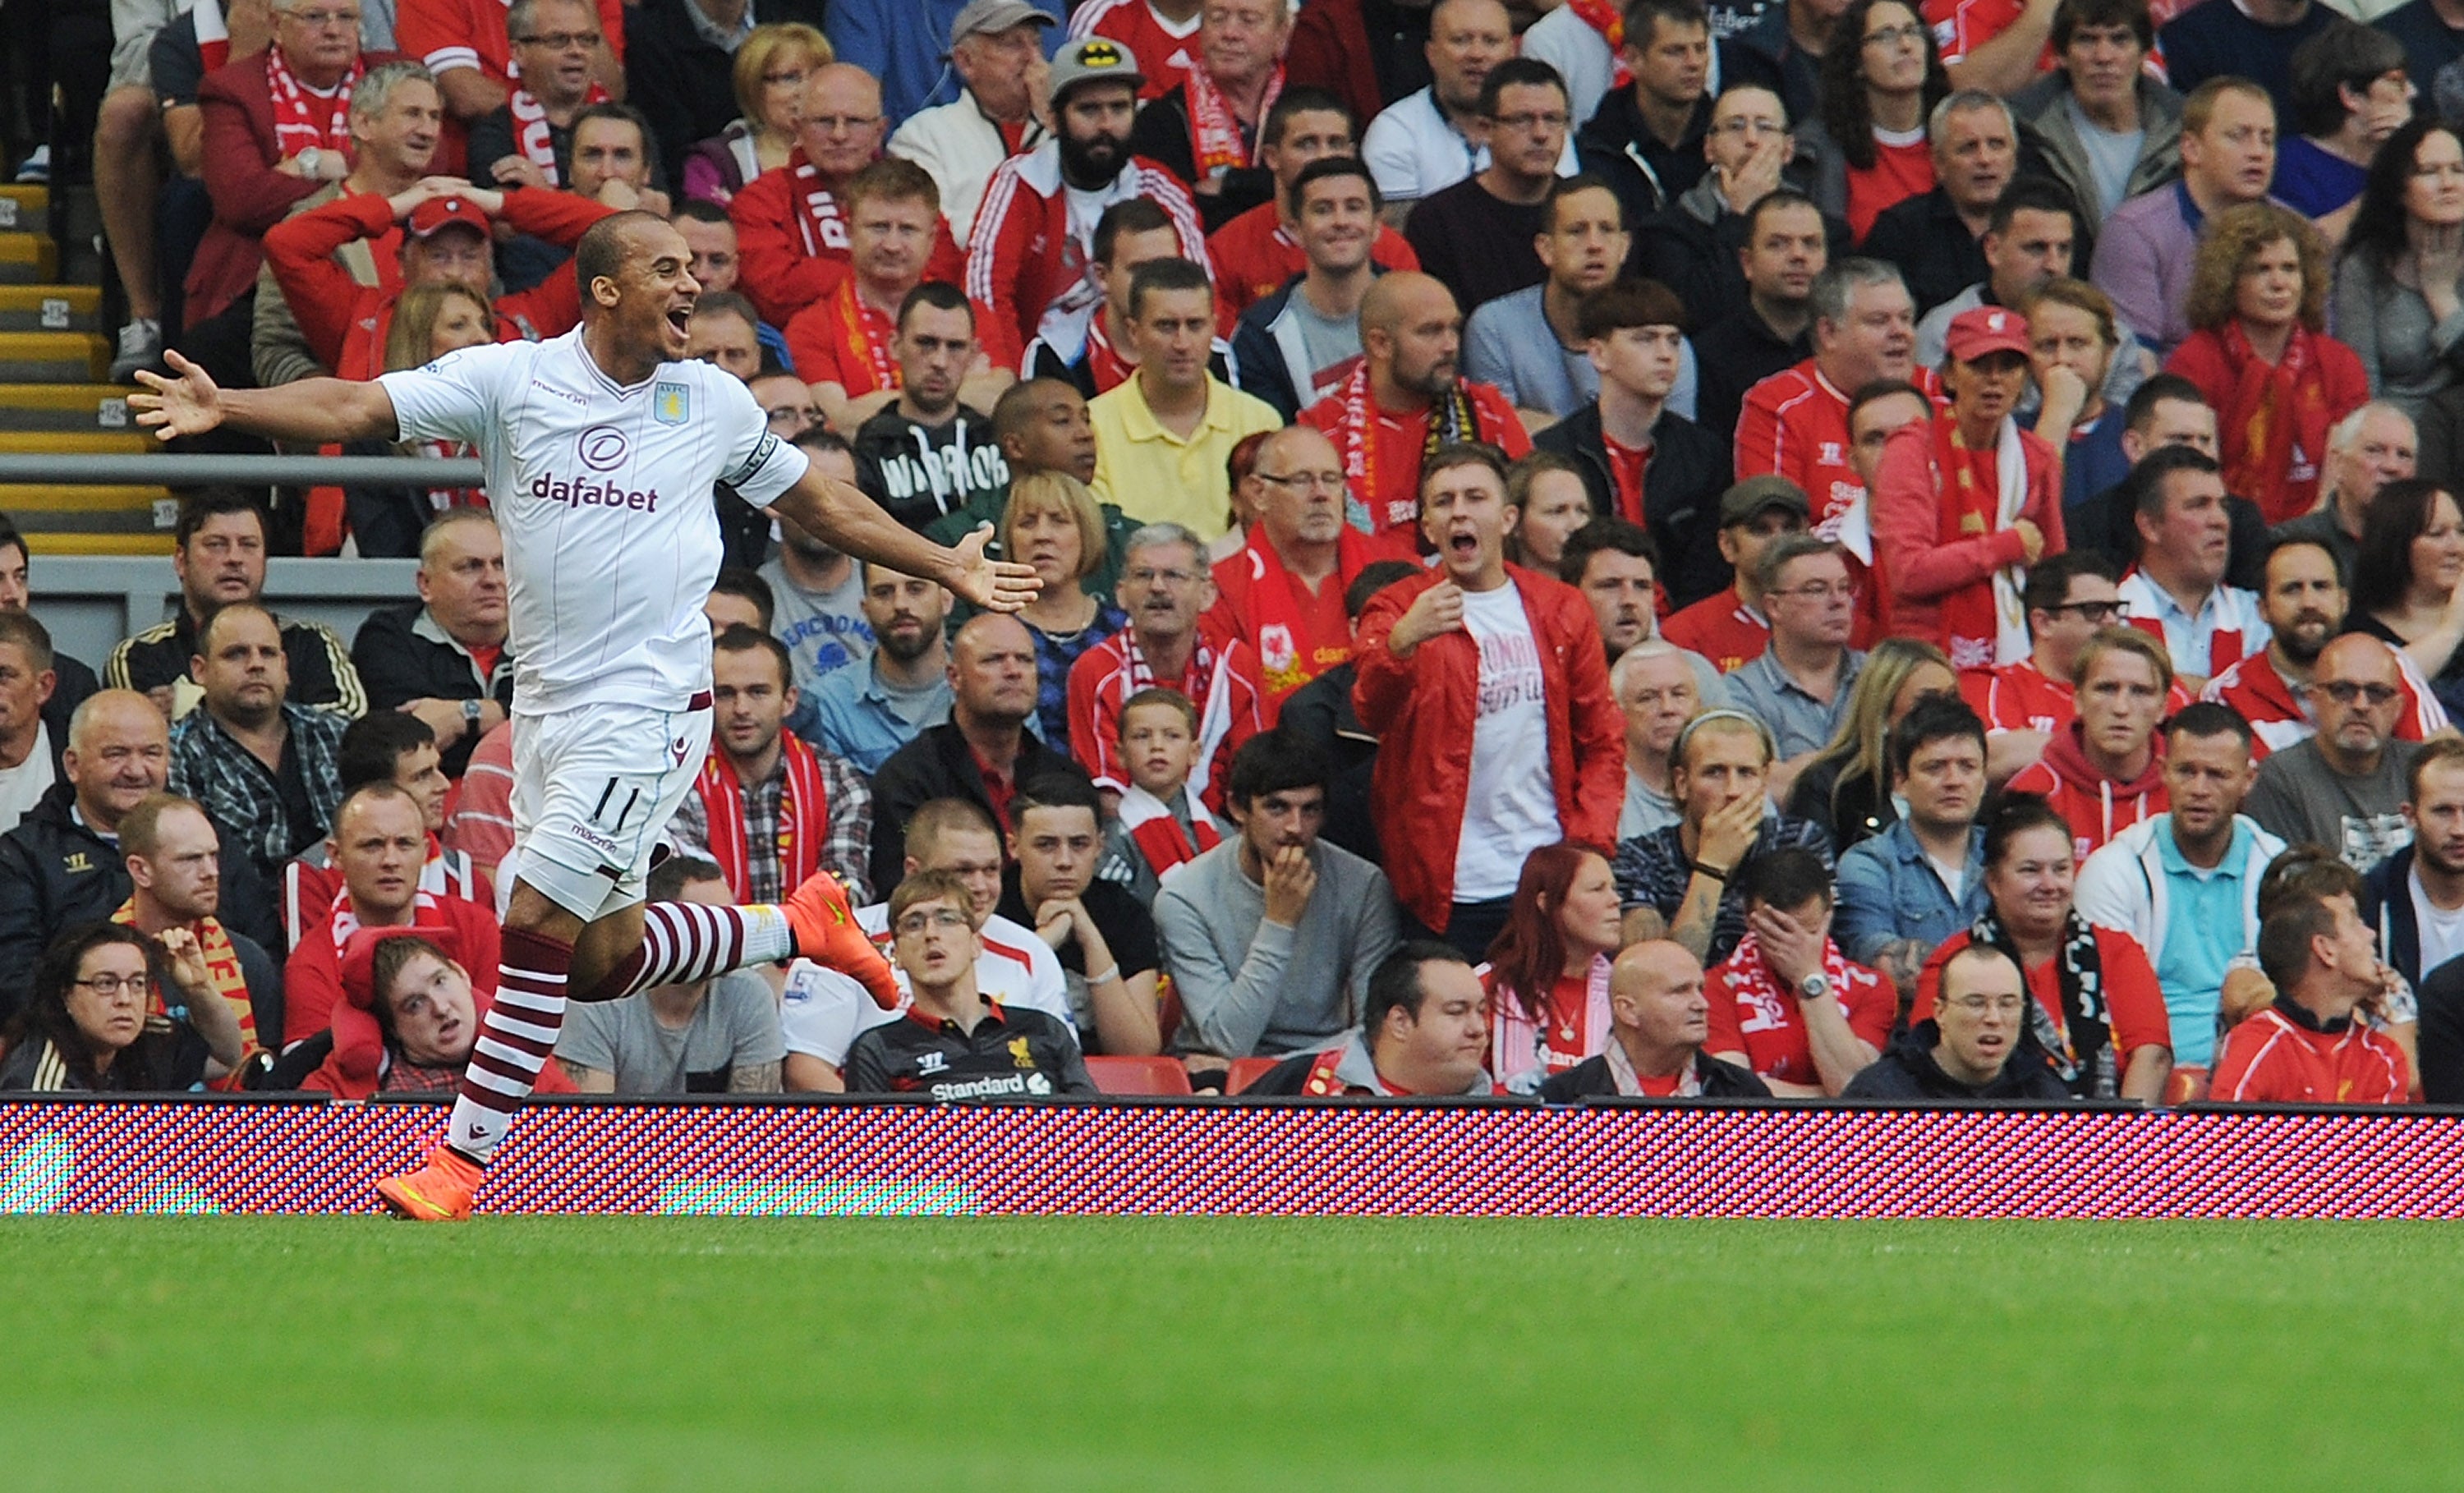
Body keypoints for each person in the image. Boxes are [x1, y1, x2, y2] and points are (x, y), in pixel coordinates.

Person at [131, 207, 1038, 1219]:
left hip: (650, 707)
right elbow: (353, 403)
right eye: (667, 269)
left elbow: (819, 504)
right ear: (605, 289)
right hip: (551, 712)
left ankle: (460, 1164)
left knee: (533, 927)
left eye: (695, 269)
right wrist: (231, 404)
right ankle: (800, 923)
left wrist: (942, 559)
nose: (692, 285)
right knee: (600, 965)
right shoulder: (512, 380)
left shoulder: (714, 402)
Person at [1354, 446, 1622, 953]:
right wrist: (1402, 643)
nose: (1459, 510)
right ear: (1429, 527)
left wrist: (1587, 846)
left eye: (1475, 497)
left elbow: (1603, 736)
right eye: (1443, 501)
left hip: (1546, 872)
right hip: (1448, 886)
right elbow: (1371, 711)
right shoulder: (1395, 607)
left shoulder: (1561, 606)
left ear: (1507, 519)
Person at [0, 691, 280, 1015]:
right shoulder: (22, 856)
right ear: (72, 765)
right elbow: (15, 985)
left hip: (213, 1037)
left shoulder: (210, 839)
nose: (136, 770)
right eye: (116, 754)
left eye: (151, 753)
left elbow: (263, 954)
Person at [1153, 731, 1402, 1064]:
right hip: (1216, 1072)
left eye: (1310, 810)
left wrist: (1281, 1067)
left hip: (1326, 1065)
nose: (1295, 828)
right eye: (1277, 808)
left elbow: (1376, 1033)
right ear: (1238, 809)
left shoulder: (1364, 885)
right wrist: (1279, 921)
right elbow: (1228, 1041)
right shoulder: (1183, 898)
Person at [968, 38, 1211, 376]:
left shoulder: (1158, 187)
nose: (1106, 125)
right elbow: (985, 293)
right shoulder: (1020, 182)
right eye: (1088, 110)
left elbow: (1201, 289)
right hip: (1043, 368)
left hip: (1145, 368)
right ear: (1054, 117)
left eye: (1119, 108)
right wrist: (1014, 380)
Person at [2067, 701, 2275, 1090]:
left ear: (2248, 779)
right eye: (2186, 771)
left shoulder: (2277, 867)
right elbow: (2100, 1005)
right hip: (2140, 1074)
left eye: (2217, 775)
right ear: (2163, 772)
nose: (2199, 789)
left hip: (2250, 1076)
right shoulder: (2113, 869)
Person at [184, 0, 395, 370]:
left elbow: (427, 164)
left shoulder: (397, 77)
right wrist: (365, 176)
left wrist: (319, 165)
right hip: (261, 274)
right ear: (277, 26)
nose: (333, 29)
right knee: (214, 352)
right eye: (315, 16)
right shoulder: (232, 89)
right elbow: (242, 200)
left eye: (346, 17)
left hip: (384, 264)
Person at [263, 176, 611, 385]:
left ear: (490, 268)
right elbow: (287, 244)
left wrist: (499, 203)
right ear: (402, 263)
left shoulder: (532, 317)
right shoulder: (359, 316)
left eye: (470, 257)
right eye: (439, 256)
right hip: (386, 502)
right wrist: (395, 206)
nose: (456, 272)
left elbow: (619, 238)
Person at [1873, 305, 2063, 670]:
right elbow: (1909, 572)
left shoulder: (2037, 458)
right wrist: (2007, 545)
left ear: (2025, 377)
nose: (1994, 380)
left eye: (2008, 367)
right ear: (1949, 374)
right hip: (1926, 657)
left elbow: (2054, 574)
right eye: (1978, 365)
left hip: (2018, 656)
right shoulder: (1912, 448)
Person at [1298, 272, 1532, 558]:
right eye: (1431, 331)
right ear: (1380, 344)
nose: (1451, 345)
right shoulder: (1321, 430)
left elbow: (1527, 520)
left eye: (1453, 328)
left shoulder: (1488, 411)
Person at [2164, 201, 2368, 526]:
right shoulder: (2195, 361)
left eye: (2289, 268)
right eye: (2261, 269)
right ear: (2228, 281)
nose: (2279, 283)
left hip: (2320, 528)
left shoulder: (2338, 363)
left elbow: (2349, 466)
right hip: (2221, 525)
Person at [247, 60, 446, 392]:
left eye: (435, 116)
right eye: (412, 114)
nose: (428, 131)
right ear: (364, 123)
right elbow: (275, 348)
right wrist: (339, 409)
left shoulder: (454, 214)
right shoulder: (310, 223)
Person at [727, 65, 965, 332]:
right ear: (798, 128)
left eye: (855, 122)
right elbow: (773, 291)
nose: (839, 135)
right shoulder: (760, 200)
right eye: (824, 122)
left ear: (880, 131)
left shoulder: (909, 196)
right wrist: (886, 282)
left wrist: (817, 273)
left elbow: (943, 279)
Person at [868, 613, 1092, 894]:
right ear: (954, 677)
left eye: (1025, 660)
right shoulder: (907, 780)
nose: (1013, 671)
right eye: (993, 660)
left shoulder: (1065, 778)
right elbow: (901, 892)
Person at [1531, 279, 1730, 595]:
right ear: (1598, 353)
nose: (1665, 354)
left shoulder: (1705, 454)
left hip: (1680, 628)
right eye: (1645, 339)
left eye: (1674, 341)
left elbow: (1708, 571)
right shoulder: (1554, 452)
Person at [104, 491, 365, 719]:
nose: (234, 559)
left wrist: (192, 703)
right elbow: (146, 741)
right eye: (216, 545)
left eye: (248, 545)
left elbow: (347, 723)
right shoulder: (139, 655)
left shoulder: (311, 642)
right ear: (181, 561)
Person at [840, 869, 1099, 1098]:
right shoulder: (877, 1049)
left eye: (947, 919)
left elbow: (1092, 1129)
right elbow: (871, 1149)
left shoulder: (1045, 1030)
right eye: (914, 924)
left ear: (977, 944)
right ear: (895, 954)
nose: (931, 934)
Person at [283, 780, 505, 1045]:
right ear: (336, 855)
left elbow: (508, 1040)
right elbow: (313, 1077)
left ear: (425, 852)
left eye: (404, 844)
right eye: (372, 845)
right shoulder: (312, 964)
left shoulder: (477, 927)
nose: (391, 860)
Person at [665, 627, 873, 907]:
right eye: (725, 694)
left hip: (816, 948)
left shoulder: (839, 781)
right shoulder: (677, 783)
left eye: (758, 692)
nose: (741, 708)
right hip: (719, 947)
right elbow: (693, 903)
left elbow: (847, 893)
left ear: (789, 701)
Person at [783, 160, 991, 436]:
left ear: (931, 239)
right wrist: (950, 395)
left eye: (907, 230)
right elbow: (841, 422)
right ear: (849, 231)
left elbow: (997, 399)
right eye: (879, 227)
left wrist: (876, 404)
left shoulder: (968, 315)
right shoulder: (810, 327)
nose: (892, 245)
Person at [1923, 195, 2152, 441]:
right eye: (2036, 248)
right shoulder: (1943, 330)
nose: (2054, 265)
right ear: (1993, 249)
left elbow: (2122, 423)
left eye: (2064, 249)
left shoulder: (2111, 331)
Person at [1069, 523, 1266, 809]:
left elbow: (1255, 780)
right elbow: (1108, 798)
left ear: (1207, 594)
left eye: (1174, 575)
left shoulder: (1237, 665)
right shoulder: (1095, 670)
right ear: (1122, 594)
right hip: (1129, 838)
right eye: (1144, 575)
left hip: (1224, 839)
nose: (1158, 587)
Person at [1615, 709, 1832, 964]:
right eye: (1715, 772)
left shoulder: (1799, 841)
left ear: (1764, 782)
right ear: (1682, 783)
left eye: (1746, 773)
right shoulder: (1637, 858)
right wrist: (1712, 865)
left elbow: (1803, 957)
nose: (1733, 790)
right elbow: (1657, 977)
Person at [555, 857, 786, 1094]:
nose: (728, 934)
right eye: (708, 921)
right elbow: (589, 1122)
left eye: (732, 919)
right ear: (661, 926)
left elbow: (755, 1121)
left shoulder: (749, 994)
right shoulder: (597, 999)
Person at [1088, 260, 1284, 538]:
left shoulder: (1259, 420)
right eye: (1166, 326)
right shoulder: (1094, 426)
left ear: (1214, 328)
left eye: (1195, 325)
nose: (1182, 343)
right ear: (1134, 332)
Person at [2089, 77, 2278, 359]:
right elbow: (2133, 366)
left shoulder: (2297, 233)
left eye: (2267, 139)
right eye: (2239, 136)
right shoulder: (2135, 232)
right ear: (2191, 148)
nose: (2258, 152)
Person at [1734, 260, 1923, 540]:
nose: (1901, 332)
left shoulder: (1938, 393)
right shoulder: (1779, 405)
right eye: (1879, 321)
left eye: (1906, 318)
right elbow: (1775, 543)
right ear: (1829, 333)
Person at [2207, 535, 2445, 757]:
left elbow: (2437, 771)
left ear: (2344, 602)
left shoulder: (2389, 667)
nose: (2309, 603)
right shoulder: (2226, 697)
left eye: (2321, 587)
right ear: (2263, 609)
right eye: (2291, 589)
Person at [167, 603, 351, 888]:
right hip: (241, 916)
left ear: (285, 667)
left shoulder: (336, 734)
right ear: (200, 671)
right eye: (236, 654)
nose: (256, 664)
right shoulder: (177, 752)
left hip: (345, 906)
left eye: (268, 653)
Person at [1208, 90, 1421, 329]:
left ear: (1352, 153)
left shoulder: (1390, 249)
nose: (1323, 156)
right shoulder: (1227, 249)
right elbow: (1227, 348)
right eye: (1307, 144)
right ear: (1272, 157)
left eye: (1336, 143)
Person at [283, 710, 489, 946]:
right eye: (423, 776)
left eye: (438, 769)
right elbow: (312, 971)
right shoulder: (312, 875)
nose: (443, 785)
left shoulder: (465, 878)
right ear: (379, 793)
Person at [1832, 696, 1990, 1001]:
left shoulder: (2007, 855)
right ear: (1901, 782)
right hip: (1909, 1038)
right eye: (1935, 768)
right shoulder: (1868, 864)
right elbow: (1881, 966)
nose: (1954, 781)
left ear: (1984, 781)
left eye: (1967, 767)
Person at [1697, 847, 1891, 1095]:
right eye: (1777, 934)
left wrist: (1809, 978)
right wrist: (1824, 1098)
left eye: (1809, 932)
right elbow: (1735, 1094)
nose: (1794, 947)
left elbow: (1853, 1089)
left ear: (1830, 911)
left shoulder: (1873, 987)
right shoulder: (1712, 988)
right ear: (1747, 918)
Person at [1208, 425, 1375, 712]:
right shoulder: (1221, 590)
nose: (1321, 494)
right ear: (1259, 494)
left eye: (1331, 479)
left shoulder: (1396, 570)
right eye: (1302, 480)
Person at [113, 792, 280, 1078]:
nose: (211, 872)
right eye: (190, 859)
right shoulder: (96, 962)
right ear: (141, 870)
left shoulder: (249, 959)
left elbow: (266, 1075)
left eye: (213, 856)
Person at [995, 774, 1164, 1053]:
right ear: (1014, 847)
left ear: (1100, 846)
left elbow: (1138, 1051)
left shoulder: (1125, 914)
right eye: (1046, 845)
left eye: (1079, 844)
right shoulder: (991, 909)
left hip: (1105, 1084)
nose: (1064, 861)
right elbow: (985, 1042)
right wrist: (1040, 947)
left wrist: (1090, 937)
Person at [1400, 58, 1579, 316]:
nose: (1541, 134)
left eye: (1552, 119)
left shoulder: (1592, 213)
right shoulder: (1438, 222)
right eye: (1522, 120)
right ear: (1486, 129)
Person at [1276, 558, 1423, 862]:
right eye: (1395, 623)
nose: (1409, 637)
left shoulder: (1461, 692)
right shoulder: (1308, 713)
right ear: (1357, 629)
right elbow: (1313, 827)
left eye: (1421, 622)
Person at [348, 510, 511, 779]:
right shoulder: (389, 636)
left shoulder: (550, 637)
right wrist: (514, 719)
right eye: (470, 566)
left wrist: (463, 716)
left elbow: (570, 730)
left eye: (502, 564)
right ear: (425, 584)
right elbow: (409, 745)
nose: (491, 580)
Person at [2209, 887, 2411, 1104]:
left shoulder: (2382, 1057)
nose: (2372, 934)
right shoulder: (2254, 1045)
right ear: (2325, 949)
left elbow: (2382, 1138)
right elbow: (2227, 1132)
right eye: (2354, 923)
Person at [2241, 635, 2422, 869]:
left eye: (2377, 693)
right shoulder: (2280, 778)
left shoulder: (2425, 771)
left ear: (2398, 708)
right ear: (2314, 699)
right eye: (2343, 690)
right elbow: (2291, 891)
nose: (2361, 705)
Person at [1459, 177, 1631, 421]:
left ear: (1624, 247)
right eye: (1577, 231)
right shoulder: (1495, 327)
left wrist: (1541, 425)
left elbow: (1671, 446)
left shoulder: (1658, 338)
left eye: (1606, 230)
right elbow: (1500, 437)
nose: (1594, 245)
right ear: (1545, 249)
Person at [0, 923, 246, 1092]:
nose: (125, 998)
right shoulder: (40, 1080)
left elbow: (225, 1057)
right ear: (66, 994)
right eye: (106, 983)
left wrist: (198, 987)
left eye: (137, 983)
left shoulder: (149, 1037)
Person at [885, 1, 1055, 243]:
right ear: (965, 62)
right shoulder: (924, 135)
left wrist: (1053, 122)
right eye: (1012, 44)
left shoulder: (1065, 131)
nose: (1034, 58)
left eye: (1037, 43)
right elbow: (932, 235)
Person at [2009, 0, 2181, 241]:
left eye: (2119, 40)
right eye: (2086, 40)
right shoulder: (2025, 131)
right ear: (2063, 54)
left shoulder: (2184, 131)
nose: (2103, 57)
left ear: (2144, 53)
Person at [846, 287, 1011, 532]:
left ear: (974, 354)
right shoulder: (871, 448)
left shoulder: (996, 439)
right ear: (895, 345)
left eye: (955, 346)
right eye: (926, 343)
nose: (939, 362)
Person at [1244, 939, 1501, 1095]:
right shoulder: (1302, 1081)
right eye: (1456, 1012)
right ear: (1400, 1022)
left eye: (1481, 1011)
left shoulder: (1513, 1118)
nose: (1479, 1029)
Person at [1124, 0, 1294, 233]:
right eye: (1217, 18)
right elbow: (1171, 219)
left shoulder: (1308, 111)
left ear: (1281, 35)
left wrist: (1231, 184)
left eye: (1248, 20)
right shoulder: (1161, 120)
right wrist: (1273, 187)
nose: (1230, 33)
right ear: (1201, 31)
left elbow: (1320, 189)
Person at [2333, 120, 2464, 423]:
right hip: (2396, 443)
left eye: (2458, 169)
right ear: (2398, 189)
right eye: (2429, 171)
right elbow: (2360, 389)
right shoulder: (2365, 266)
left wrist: (2442, 295)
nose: (2448, 183)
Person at [2005, 625, 2172, 861]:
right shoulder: (2034, 791)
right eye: (2106, 689)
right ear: (2078, 700)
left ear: (2163, 708)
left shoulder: (2186, 790)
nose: (2121, 708)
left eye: (2140, 692)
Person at [1781, 636, 1959, 850]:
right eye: (1927, 701)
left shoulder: (1966, 783)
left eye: (1952, 700)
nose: (1944, 713)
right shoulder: (1828, 787)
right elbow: (1806, 877)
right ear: (1883, 709)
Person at [1358, 0, 1530, 222]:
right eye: (1461, 40)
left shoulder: (1540, 123)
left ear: (1512, 52)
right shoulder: (1394, 131)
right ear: (1431, 53)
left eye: (1491, 41)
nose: (1477, 54)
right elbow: (1402, 239)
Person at [1536, 938, 1773, 1097]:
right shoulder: (1564, 1098)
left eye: (1700, 989)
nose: (1702, 1004)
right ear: (1628, 1010)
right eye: (1680, 991)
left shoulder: (1743, 1092)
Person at [1963, 550, 2126, 782]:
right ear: (2044, 623)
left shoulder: (2145, 686)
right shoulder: (1995, 684)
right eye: (2094, 610)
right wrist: (2121, 752)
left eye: (2115, 609)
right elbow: (1996, 755)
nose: (2111, 621)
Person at [1685, 185, 1829, 447]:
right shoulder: (1709, 356)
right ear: (1747, 263)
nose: (1798, 255)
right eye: (1778, 244)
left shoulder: (1845, 347)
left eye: (1811, 244)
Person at [2115, 446, 2268, 689]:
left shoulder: (2258, 615)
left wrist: (2172, 687)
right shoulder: (2110, 615)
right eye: (2199, 505)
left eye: (2223, 506)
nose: (2220, 520)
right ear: (2150, 526)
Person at [1842, 942, 2074, 1099]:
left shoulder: (2044, 1094)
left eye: (2007, 1004)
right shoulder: (1881, 1094)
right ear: (1940, 1012)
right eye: (1975, 1003)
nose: (1994, 1018)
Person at [1478, 841, 1621, 1092]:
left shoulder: (1625, 993)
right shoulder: (1484, 987)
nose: (1616, 900)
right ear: (1547, 903)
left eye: (1613, 888)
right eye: (1597, 889)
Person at [1859, 91, 2017, 319]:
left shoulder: (2046, 223)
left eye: (1996, 145)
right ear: (1938, 162)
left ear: (2014, 158)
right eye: (1968, 147)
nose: (1984, 159)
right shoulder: (1900, 230)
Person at [1001, 471, 1130, 751]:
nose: (1042, 536)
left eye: (1059, 521)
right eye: (1027, 523)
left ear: (1087, 533)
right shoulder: (997, 634)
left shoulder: (1124, 632)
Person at [1560, 0, 1718, 218]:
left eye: (1700, 49)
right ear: (1633, 59)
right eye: (1675, 51)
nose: (1694, 63)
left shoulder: (1725, 139)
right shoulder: (1597, 149)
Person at [1726, 535, 1864, 784]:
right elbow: (1757, 785)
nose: (1838, 601)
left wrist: (1800, 770)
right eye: (1817, 590)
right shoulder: (1739, 691)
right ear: (1774, 606)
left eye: (1844, 587)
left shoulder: (1883, 677)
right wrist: (1865, 763)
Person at [1806, 0, 1948, 241]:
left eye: (1912, 32)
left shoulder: (1964, 135)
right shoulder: (1819, 149)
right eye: (1886, 36)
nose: (1905, 45)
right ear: (1857, 61)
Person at [807, 561, 958, 775]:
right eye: (883, 593)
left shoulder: (985, 686)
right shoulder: (827, 703)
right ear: (864, 609)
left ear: (946, 600)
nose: (900, 604)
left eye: (916, 589)